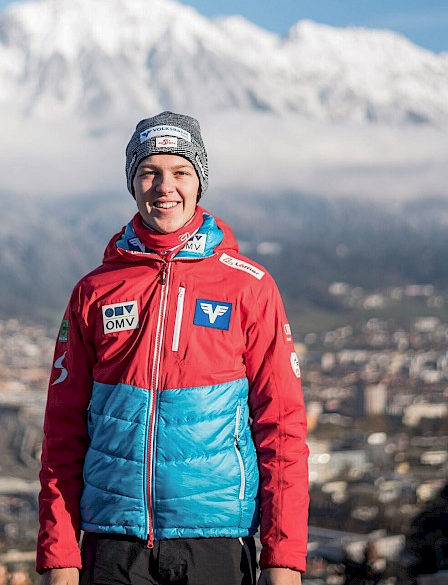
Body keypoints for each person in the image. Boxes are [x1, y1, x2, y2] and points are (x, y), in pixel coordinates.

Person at [37, 111, 309, 585]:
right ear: (133, 183)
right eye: (149, 172)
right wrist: (60, 555)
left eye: (180, 171)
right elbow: (62, 432)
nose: (165, 186)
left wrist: (283, 559)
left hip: (216, 540)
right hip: (111, 543)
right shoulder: (95, 290)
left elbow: (282, 428)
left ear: (199, 181)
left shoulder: (250, 287)